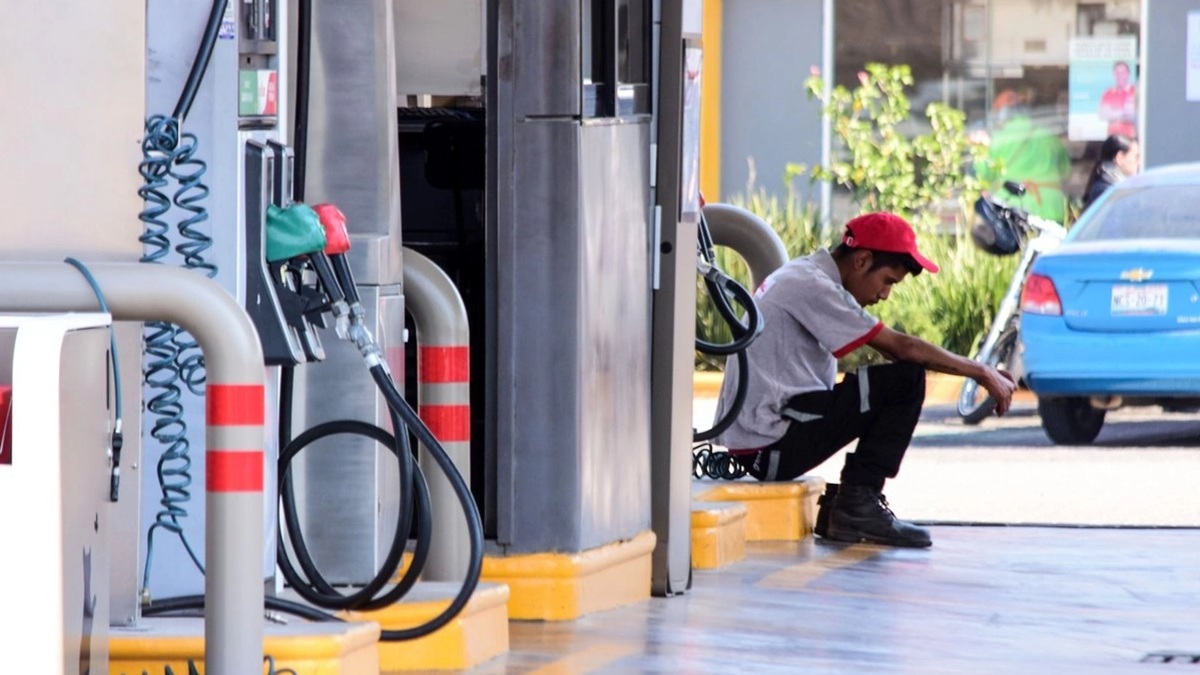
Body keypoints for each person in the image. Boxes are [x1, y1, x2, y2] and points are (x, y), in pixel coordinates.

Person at [712, 213, 1016, 549]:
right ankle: (858, 504)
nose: (885, 295)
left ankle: (849, 505)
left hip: (764, 439)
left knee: (891, 380)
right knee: (906, 381)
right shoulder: (814, 286)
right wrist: (981, 371)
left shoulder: (805, 273)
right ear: (862, 260)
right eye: (887, 281)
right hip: (770, 447)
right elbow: (903, 348)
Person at [978, 89, 1072, 224]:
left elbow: (984, 174)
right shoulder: (1050, 137)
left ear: (1001, 114)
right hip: (1052, 207)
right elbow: (1066, 172)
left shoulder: (998, 140)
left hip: (1013, 207)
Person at [1081, 134, 1140, 211]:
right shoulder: (1107, 191)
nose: (1139, 162)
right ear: (1120, 158)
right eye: (1136, 157)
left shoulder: (1109, 187)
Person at [1098, 61, 1137, 138]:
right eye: (1117, 73)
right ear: (1114, 74)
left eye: (1123, 73)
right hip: (1112, 137)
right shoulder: (1107, 93)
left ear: (1128, 74)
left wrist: (1114, 113)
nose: (1120, 76)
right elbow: (1103, 115)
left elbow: (1135, 115)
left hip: (1130, 137)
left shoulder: (1135, 92)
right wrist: (1123, 114)